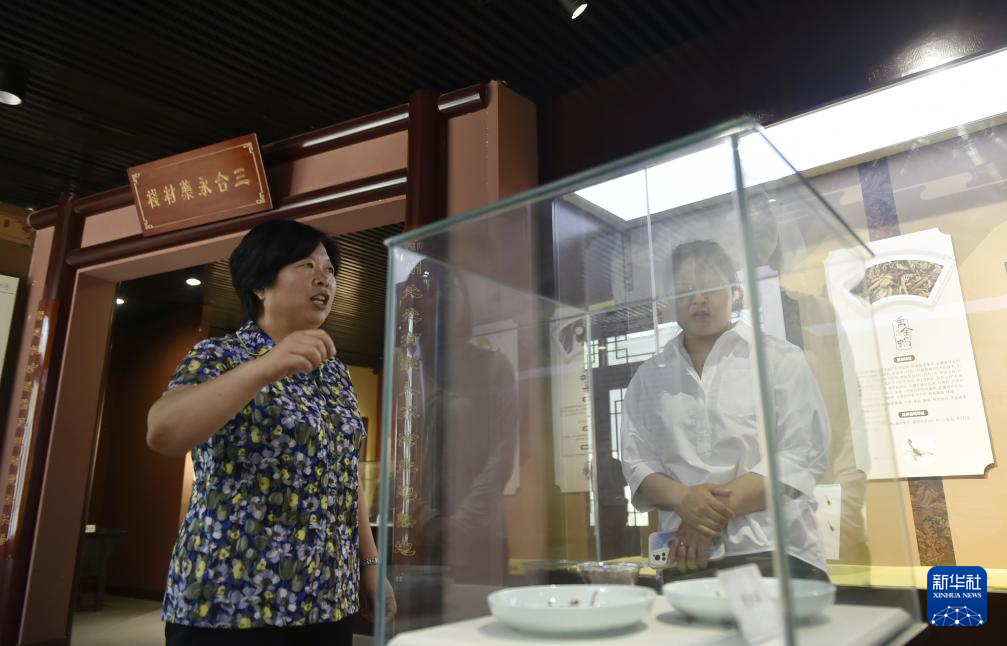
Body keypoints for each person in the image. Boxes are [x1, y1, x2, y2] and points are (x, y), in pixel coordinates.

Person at [147, 220, 395, 646]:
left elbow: (345, 476)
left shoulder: (334, 373)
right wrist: (267, 366)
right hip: (231, 597)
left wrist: (370, 564)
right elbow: (163, 433)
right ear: (260, 285)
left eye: (329, 269)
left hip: (326, 595)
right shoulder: (221, 354)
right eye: (306, 265)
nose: (324, 278)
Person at [619, 239, 831, 581]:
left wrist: (704, 516)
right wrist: (684, 500)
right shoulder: (648, 377)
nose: (699, 299)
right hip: (684, 558)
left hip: (773, 551)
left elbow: (800, 455)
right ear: (670, 302)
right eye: (685, 289)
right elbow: (637, 464)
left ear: (736, 293)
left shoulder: (779, 359)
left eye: (711, 286)